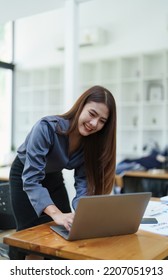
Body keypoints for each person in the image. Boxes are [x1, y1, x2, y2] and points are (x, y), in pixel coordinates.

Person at [9, 85, 116, 258]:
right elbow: (31, 179)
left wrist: (84, 215)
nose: (94, 124)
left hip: (53, 176)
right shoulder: (46, 128)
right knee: (29, 238)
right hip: (25, 175)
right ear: (80, 107)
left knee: (66, 231)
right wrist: (56, 213)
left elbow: (83, 183)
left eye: (102, 121)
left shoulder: (90, 143)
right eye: (92, 114)